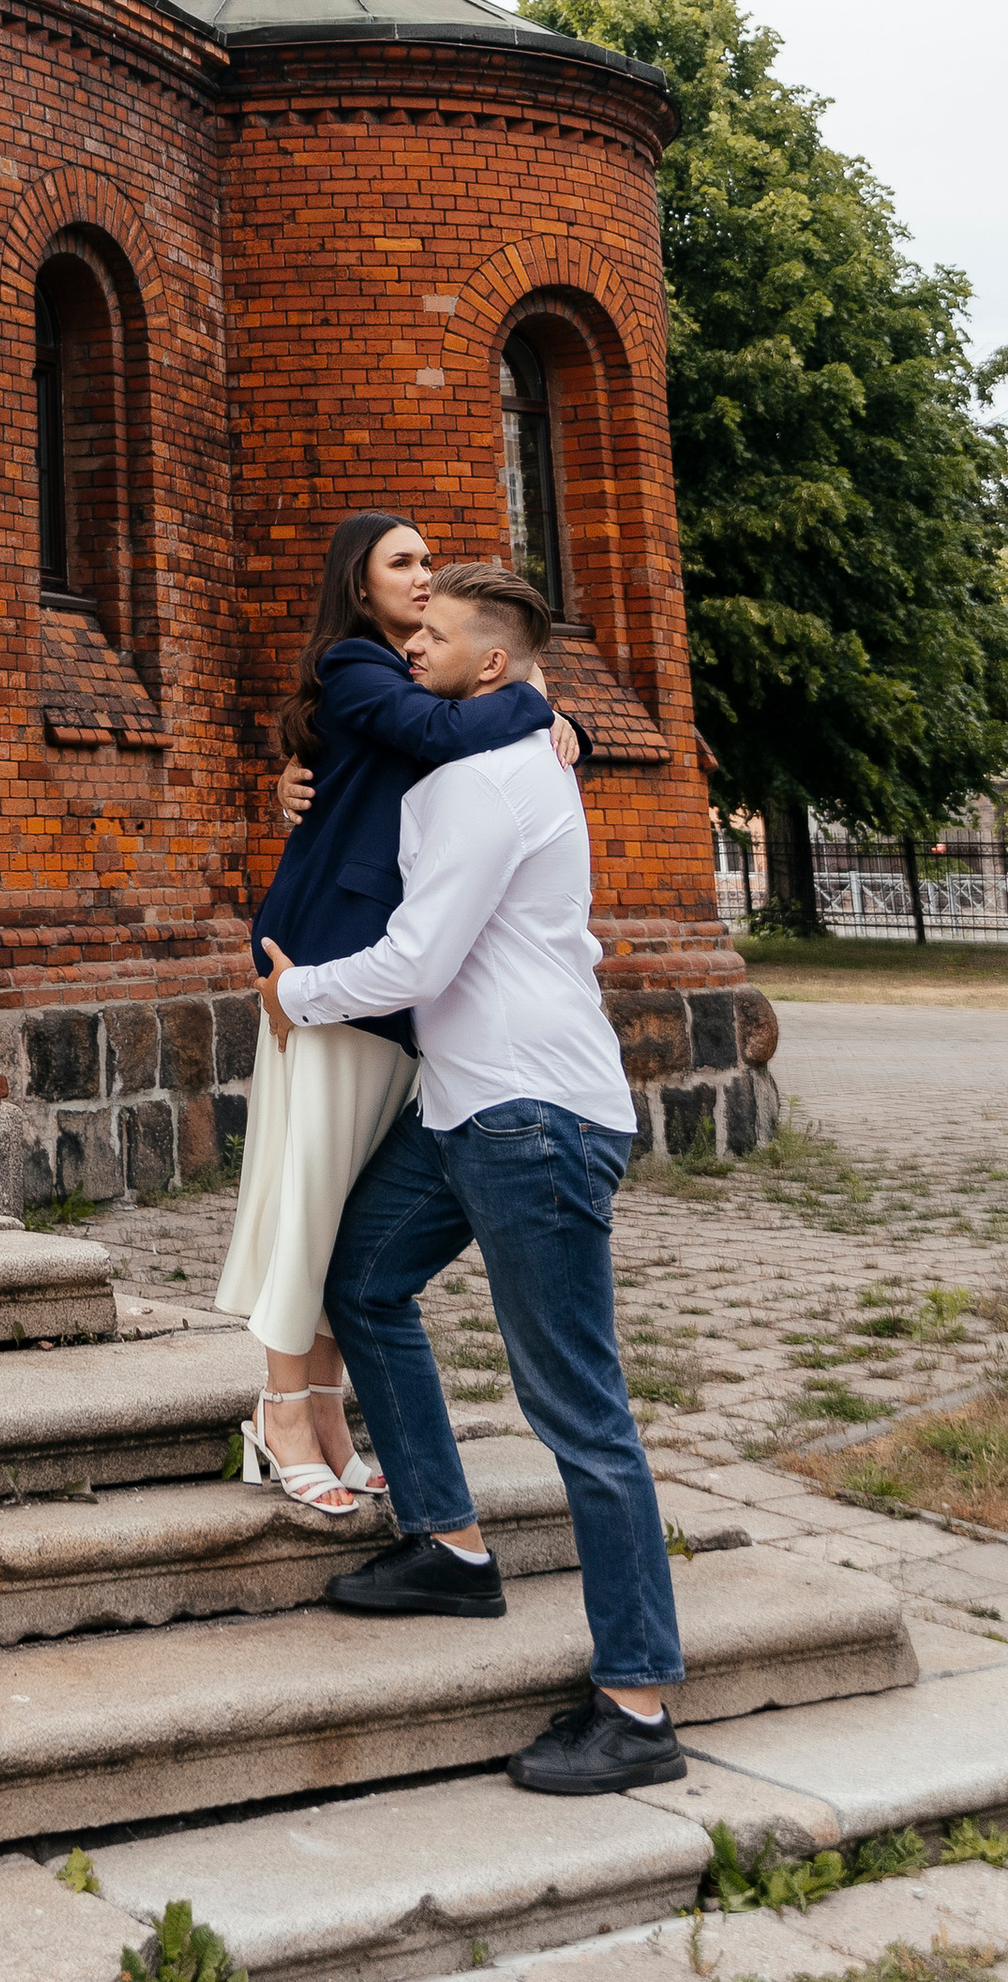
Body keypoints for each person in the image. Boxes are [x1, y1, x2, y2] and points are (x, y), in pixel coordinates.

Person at [260, 558, 687, 1797]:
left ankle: (637, 1704)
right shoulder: (481, 764)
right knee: (364, 1277)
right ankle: (446, 1545)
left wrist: (299, 992)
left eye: (431, 633)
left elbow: (418, 955)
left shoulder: (492, 783)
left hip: (531, 1119)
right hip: (470, 1106)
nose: (410, 645)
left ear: (487, 665)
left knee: (578, 1411)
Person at [216, 511, 577, 1519]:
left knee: (339, 1209)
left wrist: (542, 707)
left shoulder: (422, 672)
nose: (422, 582)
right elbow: (434, 735)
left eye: (428, 564)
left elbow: (427, 749)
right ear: (358, 583)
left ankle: (327, 1412)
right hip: (324, 965)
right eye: (403, 564)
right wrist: (540, 702)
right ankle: (281, 1413)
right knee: (309, 1194)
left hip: (386, 981)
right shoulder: (357, 665)